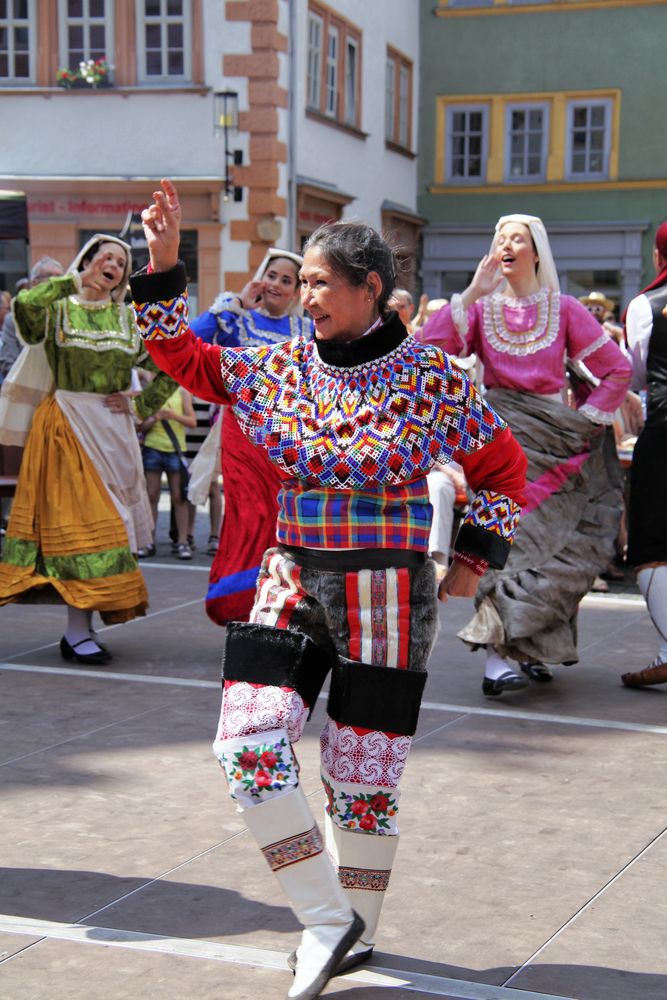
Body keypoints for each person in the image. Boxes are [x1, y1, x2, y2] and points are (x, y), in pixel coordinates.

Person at [132, 179, 527, 1000]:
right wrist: (164, 264)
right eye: (301, 282)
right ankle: (323, 916)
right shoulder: (277, 367)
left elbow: (501, 471)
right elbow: (184, 359)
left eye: (318, 283)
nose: (303, 296)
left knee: (362, 780)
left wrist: (471, 557)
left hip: (387, 596)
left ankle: (357, 934)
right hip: (288, 578)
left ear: (369, 289)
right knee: (245, 746)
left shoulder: (433, 379)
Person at [417, 214, 632, 696]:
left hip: (556, 445)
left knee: (556, 546)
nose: (508, 245)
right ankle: (497, 656)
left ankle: (533, 645)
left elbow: (616, 370)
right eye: (500, 239)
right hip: (500, 441)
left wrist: (589, 421)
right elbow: (426, 350)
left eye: (518, 238)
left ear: (537, 251)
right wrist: (471, 292)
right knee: (501, 541)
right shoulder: (478, 310)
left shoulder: (566, 309)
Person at [0, 235, 177, 664]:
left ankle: (81, 629)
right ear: (87, 262)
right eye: (105, 256)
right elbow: (23, 310)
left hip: (113, 432)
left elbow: (169, 367)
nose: (113, 264)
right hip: (64, 429)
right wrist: (69, 282)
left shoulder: (127, 320)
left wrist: (139, 406)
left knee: (110, 529)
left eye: (120, 260)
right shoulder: (59, 309)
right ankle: (77, 632)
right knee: (85, 531)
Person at [189, 247, 314, 624]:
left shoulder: (307, 331)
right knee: (249, 515)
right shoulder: (236, 321)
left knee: (283, 519)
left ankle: (280, 605)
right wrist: (236, 302)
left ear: (297, 291)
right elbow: (192, 340)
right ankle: (239, 606)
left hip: (288, 442)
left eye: (286, 280)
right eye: (271, 275)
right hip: (242, 437)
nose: (276, 284)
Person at [620, 221, 667, 687]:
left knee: (651, 549)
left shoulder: (647, 305)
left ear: (659, 256)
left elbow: (635, 374)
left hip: (666, 428)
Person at [138, 385, 197, 560]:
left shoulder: (182, 391)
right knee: (151, 496)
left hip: (175, 449)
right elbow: (140, 426)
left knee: (179, 497)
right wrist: (155, 418)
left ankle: (182, 541)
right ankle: (148, 541)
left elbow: (192, 422)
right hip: (152, 448)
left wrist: (173, 416)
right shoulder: (150, 390)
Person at [0, 266, 62, 382]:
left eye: (60, 276)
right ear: (34, 283)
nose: (55, 281)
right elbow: (8, 363)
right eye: (49, 275)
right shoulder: (13, 319)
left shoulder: (73, 317)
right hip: (28, 391)